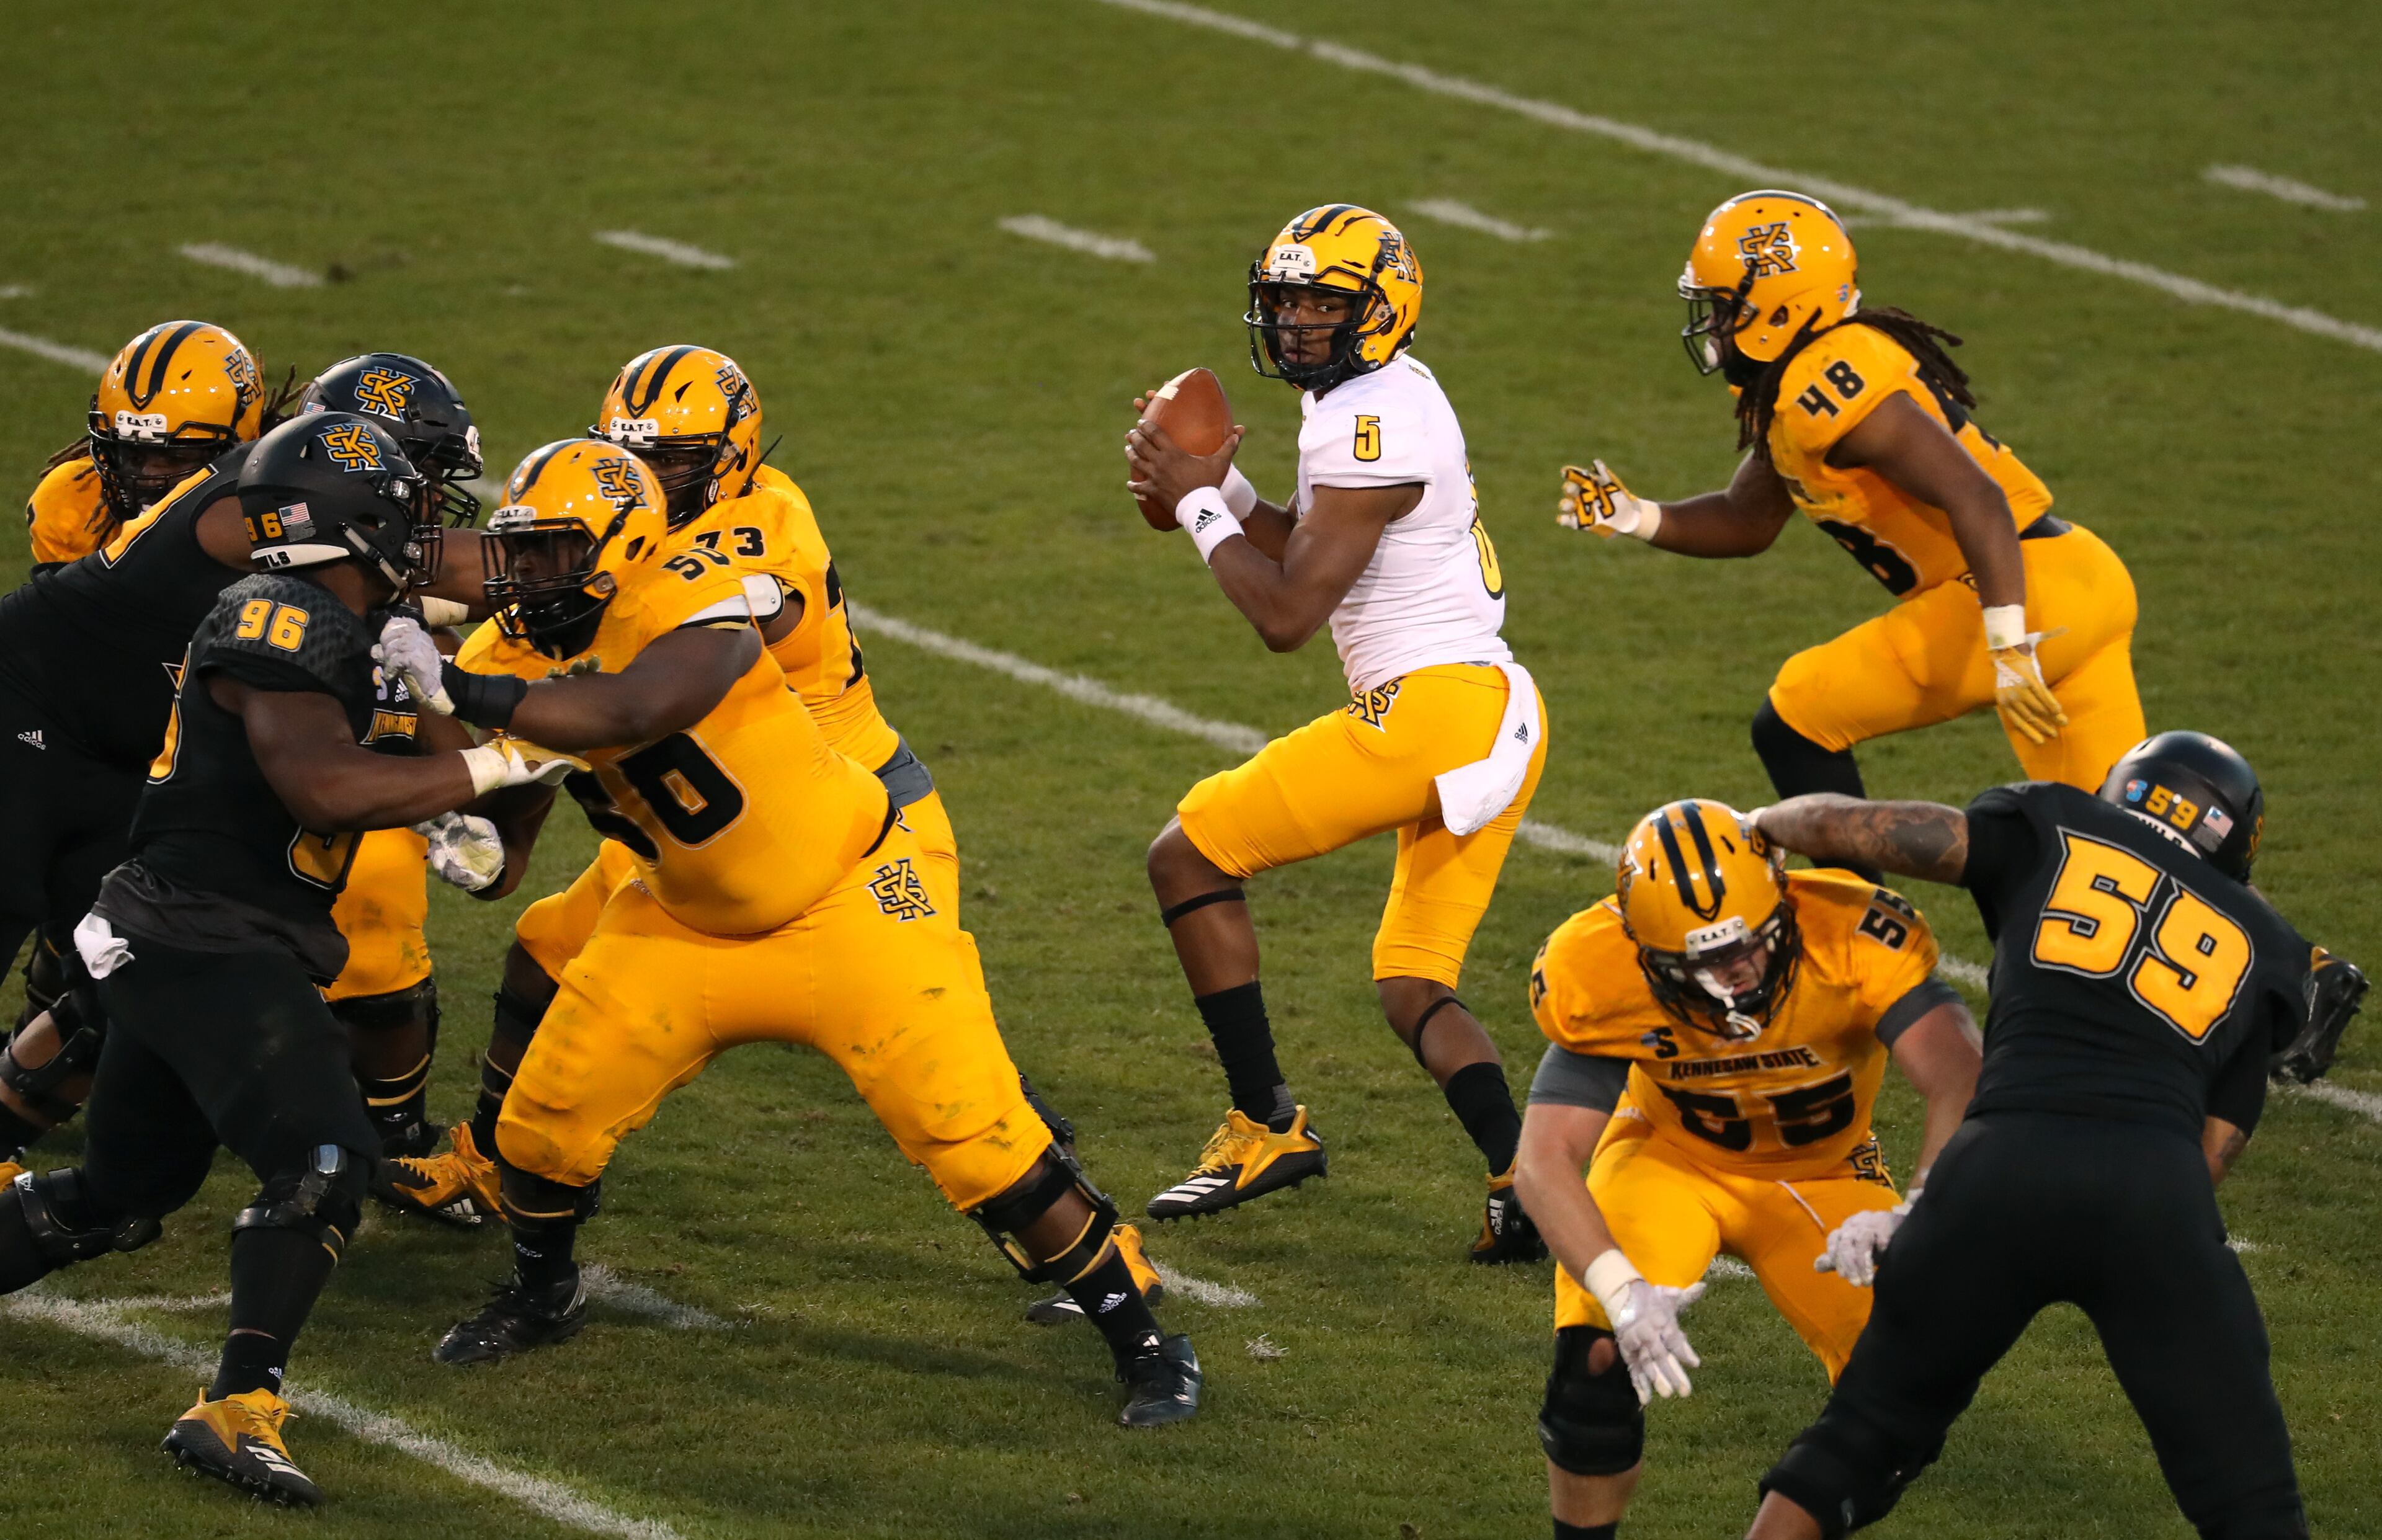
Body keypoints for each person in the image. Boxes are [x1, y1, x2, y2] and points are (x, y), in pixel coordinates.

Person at [376, 440, 1201, 1426]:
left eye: (552, 552)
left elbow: (637, 702)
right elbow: (502, 853)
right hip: (678, 921)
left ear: (627, 543)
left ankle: (1147, 1341)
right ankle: (543, 1291)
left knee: (977, 1142)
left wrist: (459, 693)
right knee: (540, 1126)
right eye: (519, 552)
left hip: (847, 899)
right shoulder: (506, 654)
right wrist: (453, 817)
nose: (523, 575)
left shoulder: (699, 591)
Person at [0, 412, 574, 1505]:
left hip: (198, 932)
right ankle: (238, 1403)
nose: (421, 530)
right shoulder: (276, 619)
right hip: (201, 937)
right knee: (321, 1159)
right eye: (403, 511)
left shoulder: (336, 623)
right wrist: (496, 753)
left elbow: (491, 863)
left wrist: (487, 739)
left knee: (120, 1193)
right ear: (350, 523)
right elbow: (329, 789)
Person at [1739, 734, 2326, 1539]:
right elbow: (2214, 1150)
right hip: (2151, 1189)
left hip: (1998, 1162)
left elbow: (1860, 826)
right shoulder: (2270, 947)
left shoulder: (2055, 820)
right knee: (2253, 1504)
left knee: (1859, 1433)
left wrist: (1765, 822)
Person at [1125, 204, 1550, 1261]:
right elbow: (1311, 547)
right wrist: (1218, 486)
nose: (1301, 322)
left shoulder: (1369, 420)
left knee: (1189, 854)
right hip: (1495, 710)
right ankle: (1524, 1181)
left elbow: (1286, 613)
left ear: (1382, 305)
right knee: (1414, 980)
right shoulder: (1375, 399)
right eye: (1287, 301)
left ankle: (1266, 1125)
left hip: (1435, 711)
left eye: (1325, 302)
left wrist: (1196, 508)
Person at [0, 348, 493, 1187]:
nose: (420, 499)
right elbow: (445, 569)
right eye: (415, 475)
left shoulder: (305, 523)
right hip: (24, 714)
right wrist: (598, 570)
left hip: (117, 757)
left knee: (125, 975)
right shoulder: (259, 504)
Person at [1556, 190, 2143, 817]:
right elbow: (1746, 518)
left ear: (1777, 309)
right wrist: (1635, 514)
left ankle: (1856, 909)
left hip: (2016, 594)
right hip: (2080, 579)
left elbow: (1978, 496)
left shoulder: (1825, 387)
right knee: (2118, 839)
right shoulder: (1799, 387)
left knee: (1795, 718)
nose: (1714, 325)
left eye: (1725, 308)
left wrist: (2009, 642)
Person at [1517, 799, 1978, 1540]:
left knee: (1907, 1392)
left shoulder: (1852, 932)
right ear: (1643, 946)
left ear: (1783, 895)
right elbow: (1542, 1159)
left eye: (1749, 945)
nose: (1731, 975)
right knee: (1596, 1358)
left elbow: (1962, 1077)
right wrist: (1622, 1290)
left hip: (1827, 1176)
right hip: (1669, 1159)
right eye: (1695, 961)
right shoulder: (1597, 964)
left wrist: (1916, 1208)